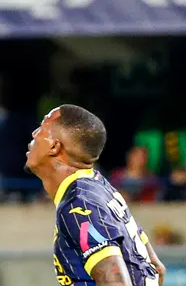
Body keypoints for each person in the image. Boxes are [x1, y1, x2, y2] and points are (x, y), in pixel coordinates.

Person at [25, 104, 167, 286]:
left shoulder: (79, 204)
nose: (34, 134)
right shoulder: (99, 186)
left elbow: (115, 280)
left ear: (54, 146)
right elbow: (156, 267)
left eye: (42, 128)